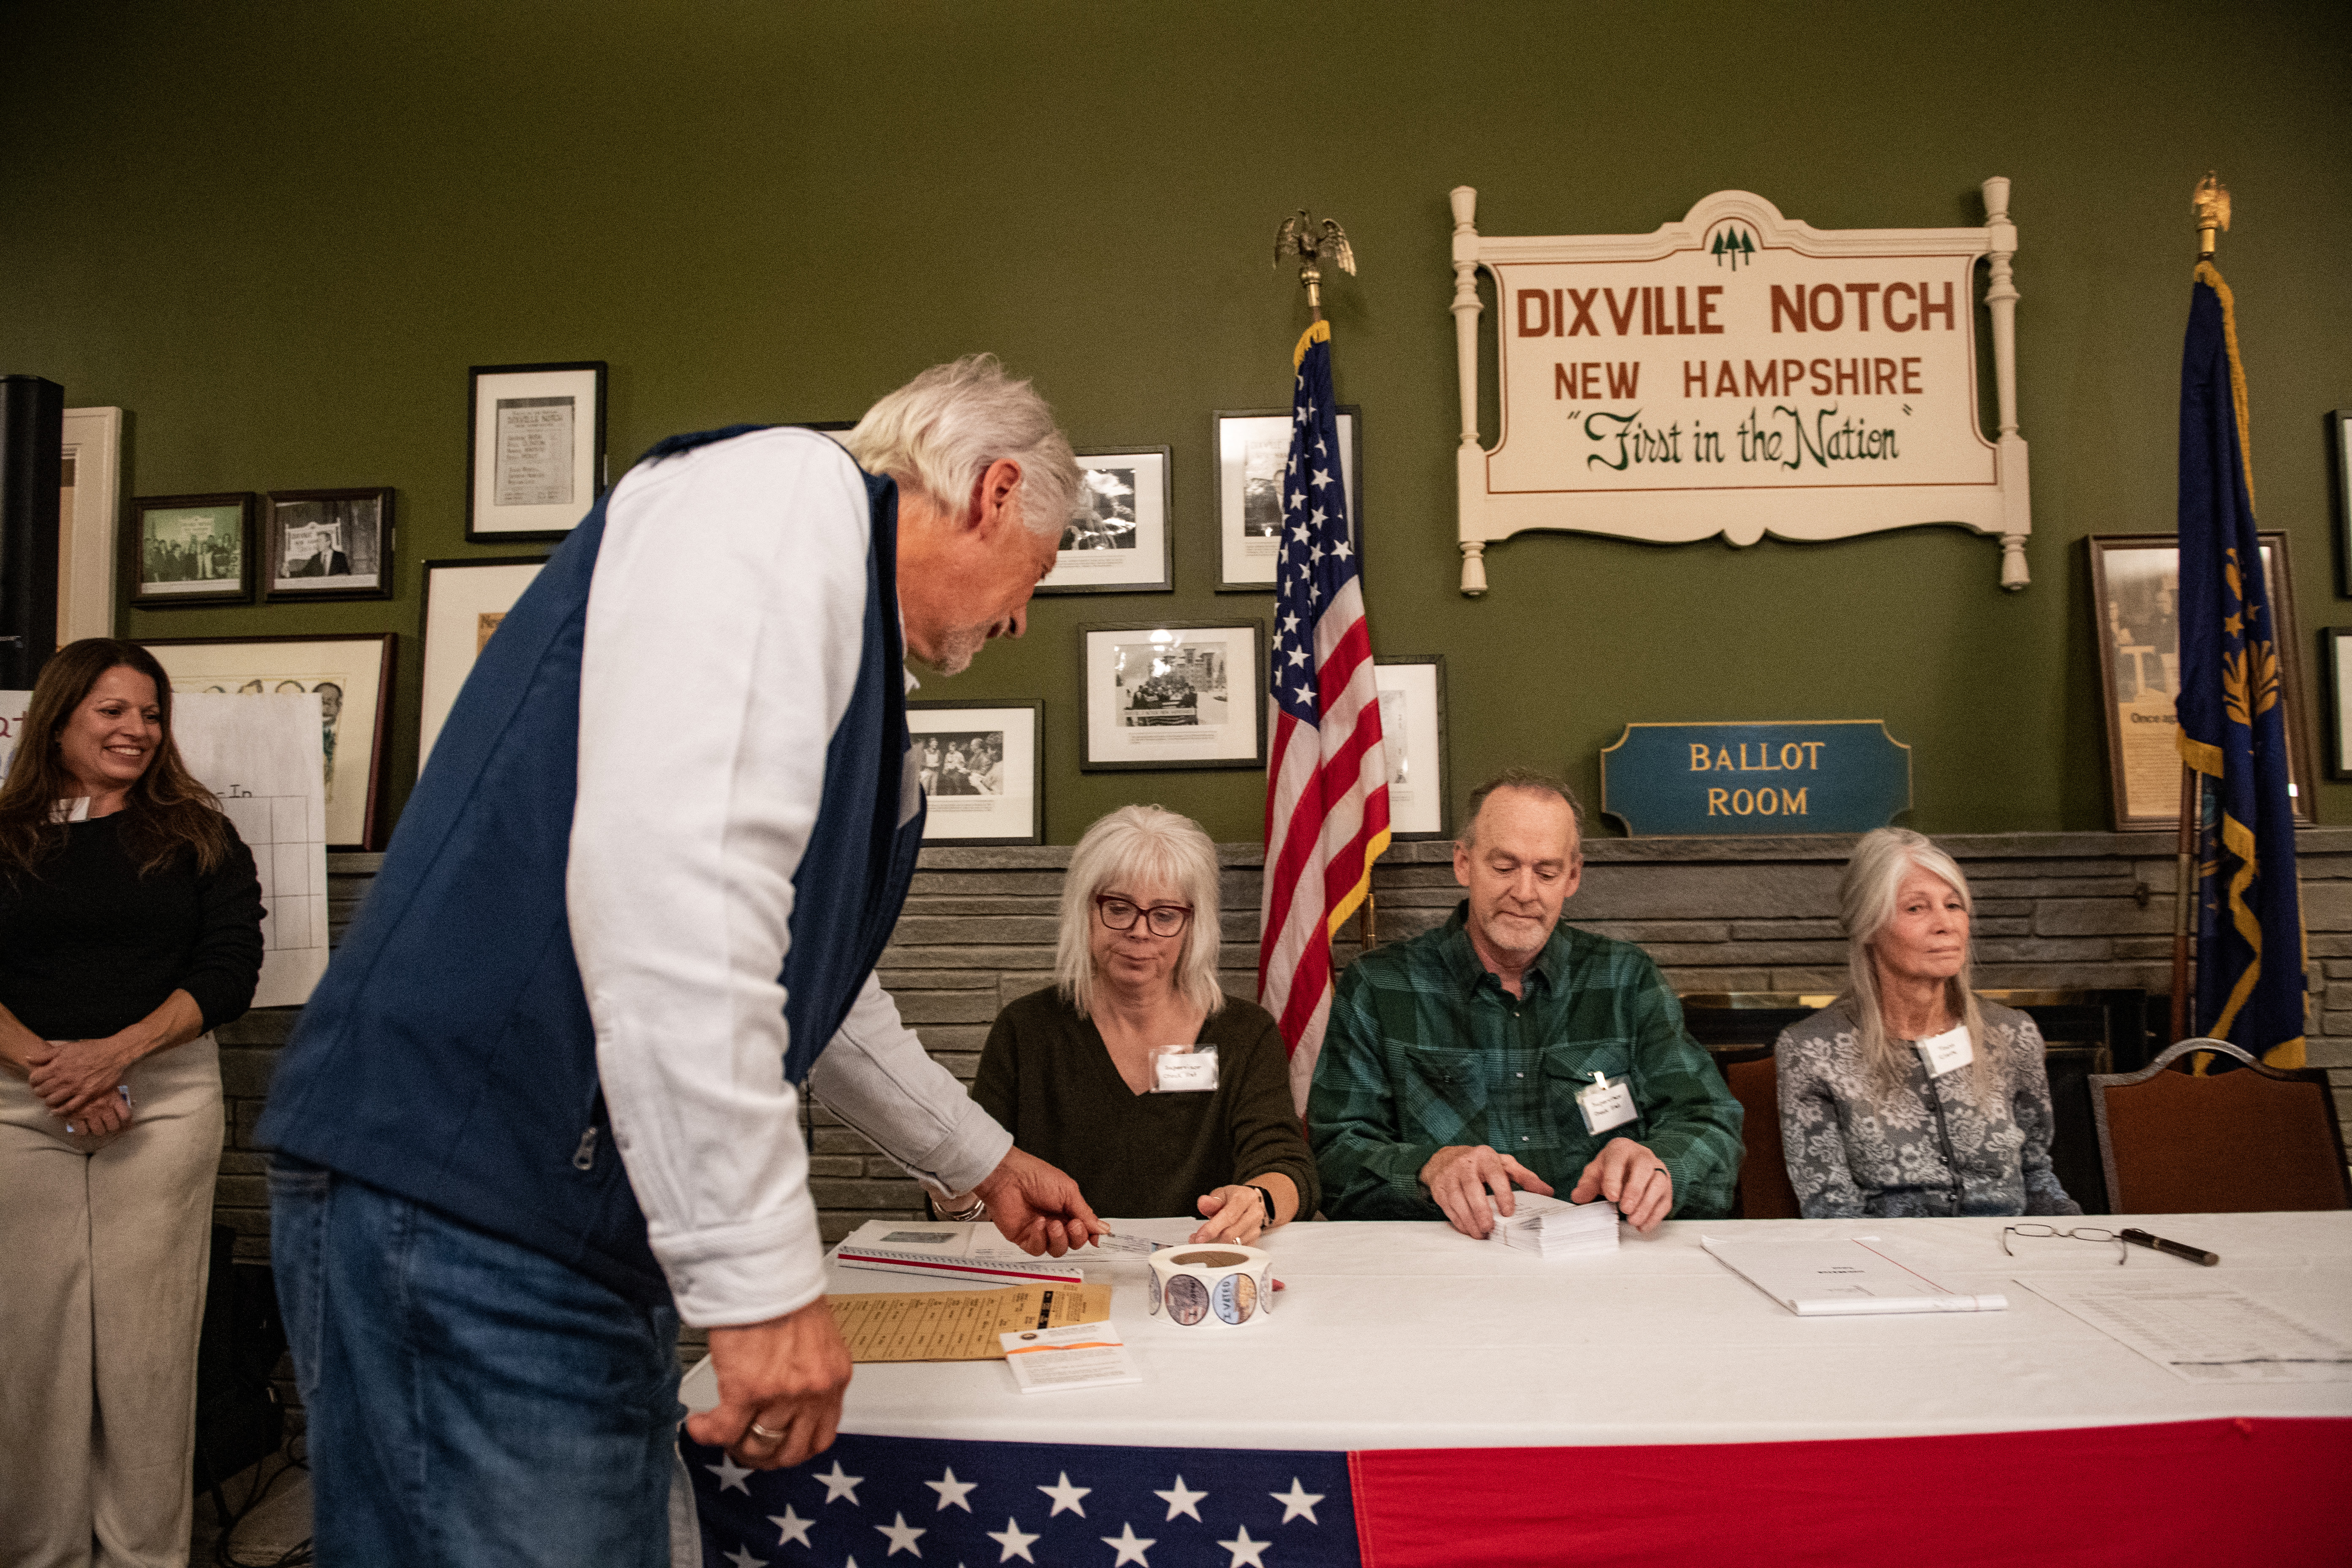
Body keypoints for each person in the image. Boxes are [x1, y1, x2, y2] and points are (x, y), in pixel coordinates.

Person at [257, 356, 1106, 1565]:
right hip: (468, 1199)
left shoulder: (861, 678)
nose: (1022, 615)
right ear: (994, 491)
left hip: (563, 1230)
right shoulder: (782, 498)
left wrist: (985, 1162)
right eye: (1041, 570)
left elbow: (813, 989)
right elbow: (681, 893)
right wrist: (758, 1282)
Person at [0, 639, 265, 1567]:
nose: (138, 730)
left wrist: (115, 1056)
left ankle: (144, 1556)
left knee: (146, 1351)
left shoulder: (197, 832)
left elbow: (231, 971)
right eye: (114, 710)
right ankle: (39, 1551)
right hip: (19, 1098)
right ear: (61, 716)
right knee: (28, 1348)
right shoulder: (4, 832)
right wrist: (56, 1069)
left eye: (151, 713)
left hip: (161, 1098)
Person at [1309, 769, 1743, 1236]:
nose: (1524, 892)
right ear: (1463, 864)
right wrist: (1427, 1168)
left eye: (1546, 871)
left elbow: (1709, 1120)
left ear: (1572, 876)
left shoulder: (1625, 979)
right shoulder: (1379, 987)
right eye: (1503, 867)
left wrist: (1660, 1166)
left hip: (1605, 1257)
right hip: (1449, 1264)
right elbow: (1334, 1154)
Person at [950, 805, 1316, 1241]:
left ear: (1193, 925)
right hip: (1059, 1271)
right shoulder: (1025, 1030)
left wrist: (1257, 1201)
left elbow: (1288, 1166)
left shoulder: (1244, 1033)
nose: (1140, 932)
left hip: (1198, 1269)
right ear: (1085, 910)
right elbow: (975, 1186)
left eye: (1164, 915)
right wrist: (953, 1195)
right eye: (1119, 908)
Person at [1776, 828, 2081, 1218]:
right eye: (1916, 909)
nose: (1945, 924)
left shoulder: (2012, 1035)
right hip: (1888, 1262)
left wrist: (2075, 1247)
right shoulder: (1811, 1051)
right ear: (1868, 926)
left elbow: (2036, 1174)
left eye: (1953, 906)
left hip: (2009, 1254)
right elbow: (1833, 1211)